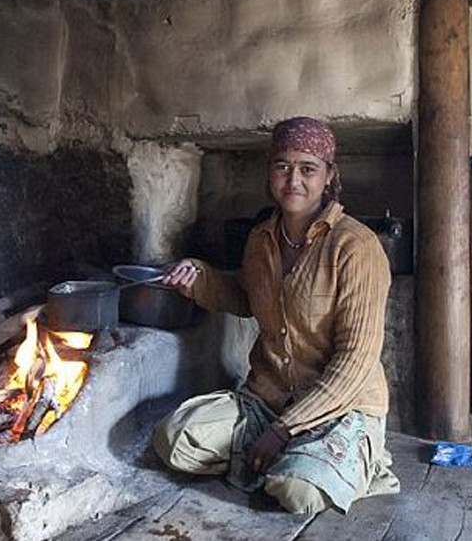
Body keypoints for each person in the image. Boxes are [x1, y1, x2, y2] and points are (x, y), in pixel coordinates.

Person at [154, 116, 399, 515]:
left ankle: (353, 462)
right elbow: (246, 297)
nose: (293, 181)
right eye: (282, 166)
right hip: (267, 401)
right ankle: (299, 461)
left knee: (297, 491)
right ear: (270, 171)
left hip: (339, 407)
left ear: (329, 176)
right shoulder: (261, 238)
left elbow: (355, 361)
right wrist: (198, 278)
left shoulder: (356, 247)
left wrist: (285, 430)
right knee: (176, 439)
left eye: (308, 169)